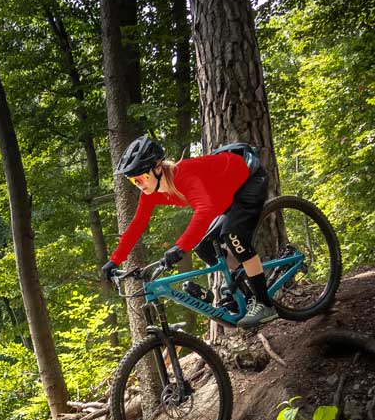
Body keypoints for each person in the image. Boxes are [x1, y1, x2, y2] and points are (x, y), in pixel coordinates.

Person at [99, 135, 276, 328]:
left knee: (234, 236)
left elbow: (204, 211)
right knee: (203, 247)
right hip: (223, 197)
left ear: (158, 168)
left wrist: (180, 247)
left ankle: (264, 304)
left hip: (248, 179)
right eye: (134, 181)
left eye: (141, 178)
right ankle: (245, 291)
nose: (139, 184)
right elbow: (137, 225)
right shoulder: (151, 194)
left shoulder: (184, 175)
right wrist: (114, 260)